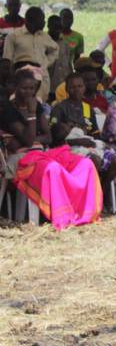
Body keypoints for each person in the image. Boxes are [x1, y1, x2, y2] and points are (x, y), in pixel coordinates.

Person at [0, 69, 103, 230]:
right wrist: (32, 114)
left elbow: (48, 138)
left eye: (32, 89)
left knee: (84, 164)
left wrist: (30, 137)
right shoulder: (8, 110)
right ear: (15, 88)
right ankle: (62, 215)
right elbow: (29, 138)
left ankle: (83, 212)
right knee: (52, 168)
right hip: (20, 160)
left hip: (42, 153)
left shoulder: (38, 105)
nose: (28, 92)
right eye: (24, 88)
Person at [49, 73, 116, 212]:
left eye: (80, 86)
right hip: (68, 148)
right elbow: (54, 138)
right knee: (93, 160)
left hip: (89, 145)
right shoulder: (60, 108)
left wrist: (101, 143)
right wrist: (78, 141)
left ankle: (101, 191)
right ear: (66, 89)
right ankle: (89, 201)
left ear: (84, 88)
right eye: (72, 87)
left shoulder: (88, 108)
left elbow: (94, 133)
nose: (76, 90)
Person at [2, 7, 59, 101]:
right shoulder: (14, 36)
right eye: (42, 20)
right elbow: (7, 60)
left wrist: (46, 63)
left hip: (42, 79)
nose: (44, 23)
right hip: (22, 78)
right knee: (22, 106)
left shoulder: (44, 36)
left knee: (39, 106)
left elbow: (55, 49)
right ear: (31, 20)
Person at [47, 15, 73, 100]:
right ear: (48, 26)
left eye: (59, 28)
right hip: (49, 87)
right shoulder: (44, 42)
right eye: (54, 27)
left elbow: (68, 64)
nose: (57, 30)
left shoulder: (65, 44)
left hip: (64, 86)